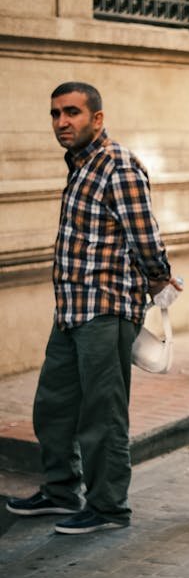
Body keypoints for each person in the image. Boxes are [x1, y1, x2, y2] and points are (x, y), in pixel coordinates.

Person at [6, 82, 179, 535]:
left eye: (72, 113)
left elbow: (144, 235)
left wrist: (159, 275)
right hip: (71, 311)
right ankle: (62, 490)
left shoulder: (116, 165)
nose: (62, 122)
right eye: (55, 114)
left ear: (96, 119)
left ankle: (108, 506)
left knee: (102, 414)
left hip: (105, 310)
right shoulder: (82, 165)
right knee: (52, 406)